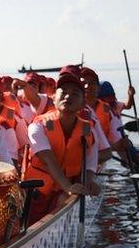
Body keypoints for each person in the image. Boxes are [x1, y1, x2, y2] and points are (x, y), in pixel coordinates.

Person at [21, 70, 101, 224]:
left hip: (61, 193)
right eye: (63, 92)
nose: (68, 96)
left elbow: (90, 165)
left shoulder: (88, 130)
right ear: (53, 98)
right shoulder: (37, 125)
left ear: (83, 103)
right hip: (34, 193)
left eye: (75, 94)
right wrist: (69, 187)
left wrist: (88, 184)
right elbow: (48, 160)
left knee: (65, 198)